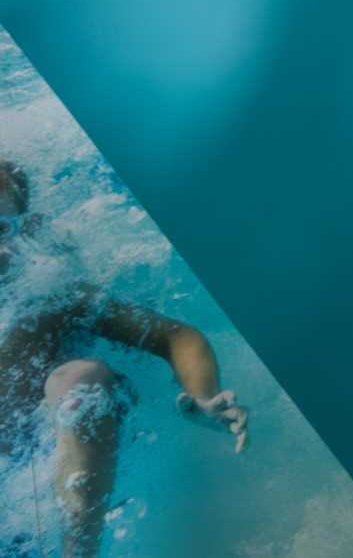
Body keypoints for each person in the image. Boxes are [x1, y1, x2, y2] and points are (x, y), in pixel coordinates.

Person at [0, 160, 249, 558]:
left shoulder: (51, 297)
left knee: (80, 379)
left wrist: (204, 396)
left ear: (25, 232)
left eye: (1, 228)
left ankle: (77, 549)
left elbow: (177, 337)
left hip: (47, 452)